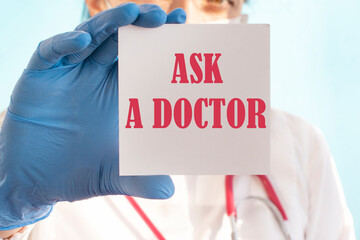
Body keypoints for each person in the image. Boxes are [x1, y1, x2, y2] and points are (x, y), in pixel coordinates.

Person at [0, 0, 355, 239]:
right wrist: (8, 208)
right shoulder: (33, 145)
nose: (185, 12)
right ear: (97, 3)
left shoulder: (297, 145)